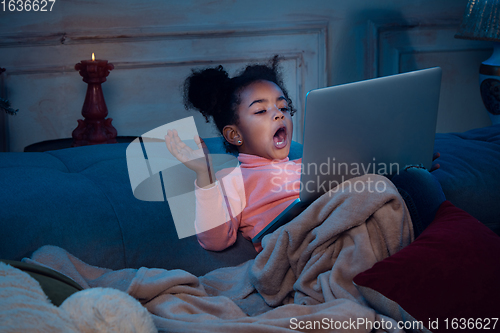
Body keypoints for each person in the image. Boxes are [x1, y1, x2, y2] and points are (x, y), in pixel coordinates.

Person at [165, 56, 445, 253]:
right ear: (234, 135)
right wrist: (204, 175)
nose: (277, 114)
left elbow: (357, 194)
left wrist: (407, 161)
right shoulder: (233, 177)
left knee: (417, 180)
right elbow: (215, 240)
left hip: (344, 224)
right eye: (261, 111)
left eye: (283, 108)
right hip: (300, 242)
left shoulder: (311, 164)